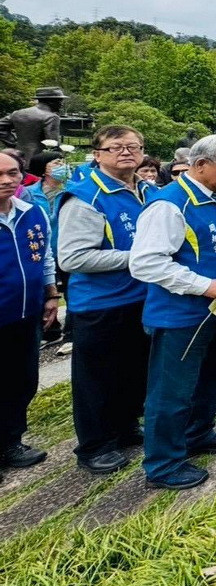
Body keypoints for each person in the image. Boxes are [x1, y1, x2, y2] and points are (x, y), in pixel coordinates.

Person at [129, 135, 216, 490]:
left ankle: (197, 432)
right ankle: (163, 463)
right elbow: (145, 262)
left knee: (214, 373)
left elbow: (208, 239)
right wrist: (202, 285)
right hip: (183, 313)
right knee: (172, 389)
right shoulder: (169, 204)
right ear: (200, 164)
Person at [57, 125, 156, 475]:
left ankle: (126, 426)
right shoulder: (86, 197)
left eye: (134, 146)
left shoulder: (149, 191)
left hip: (142, 298)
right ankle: (95, 445)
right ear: (97, 155)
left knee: (133, 370)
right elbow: (72, 258)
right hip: (101, 303)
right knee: (97, 377)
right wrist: (138, 257)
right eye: (116, 147)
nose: (126, 152)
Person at [0, 151, 55, 477]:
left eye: (13, 173)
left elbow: (45, 256)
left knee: (21, 381)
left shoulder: (31, 212)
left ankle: (11, 440)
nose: (7, 181)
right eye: (0, 175)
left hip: (25, 313)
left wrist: (51, 295)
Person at [24, 150, 71, 344]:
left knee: (71, 290)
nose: (63, 166)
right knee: (45, 289)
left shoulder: (72, 190)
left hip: (67, 247)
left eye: (63, 162)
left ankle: (71, 332)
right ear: (43, 169)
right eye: (56, 163)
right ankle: (49, 330)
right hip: (42, 248)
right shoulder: (30, 194)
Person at [0, 87, 67, 163]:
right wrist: (60, 159)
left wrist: (13, 143)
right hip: (40, 161)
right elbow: (53, 144)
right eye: (60, 100)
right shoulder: (51, 117)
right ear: (51, 101)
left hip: (18, 158)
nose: (62, 104)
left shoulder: (18, 113)